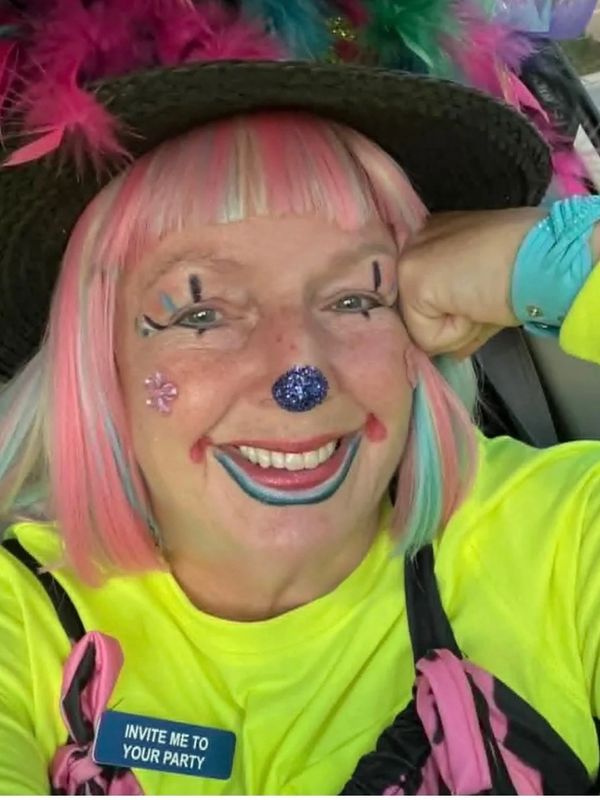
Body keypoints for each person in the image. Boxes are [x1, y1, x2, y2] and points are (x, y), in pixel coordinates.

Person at [1, 1, 600, 795]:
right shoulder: (17, 623)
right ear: (97, 355)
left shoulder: (560, 538)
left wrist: (549, 262)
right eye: (203, 313)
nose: (300, 381)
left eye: (355, 300)